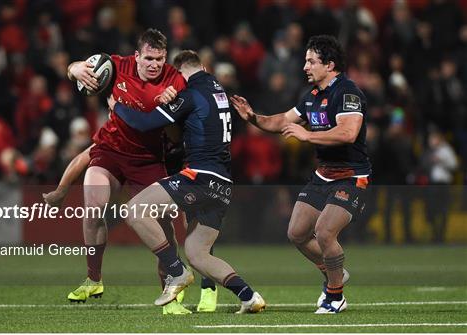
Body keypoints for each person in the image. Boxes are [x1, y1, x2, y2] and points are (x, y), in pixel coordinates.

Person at [46, 29, 217, 314]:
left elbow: (176, 136)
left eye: (160, 59)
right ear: (136, 56)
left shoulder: (175, 81)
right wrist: (75, 68)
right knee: (93, 206)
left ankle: (172, 298)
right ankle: (93, 279)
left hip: (149, 159)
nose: (154, 64)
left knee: (162, 229)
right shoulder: (117, 65)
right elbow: (75, 69)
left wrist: (170, 107)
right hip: (110, 151)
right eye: (149, 58)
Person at [109, 50, 266, 314]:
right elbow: (187, 128)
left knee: (134, 209)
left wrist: (118, 106)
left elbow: (145, 123)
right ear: (203, 67)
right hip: (223, 183)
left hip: (200, 177)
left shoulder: (190, 94)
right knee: (198, 254)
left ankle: (175, 271)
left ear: (179, 73)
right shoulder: (218, 92)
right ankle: (249, 296)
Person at [231, 35, 371, 314]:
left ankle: (335, 296)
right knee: (296, 233)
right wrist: (253, 118)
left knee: (324, 232)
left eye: (311, 61)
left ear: (329, 65)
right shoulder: (313, 97)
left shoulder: (348, 92)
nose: (305, 66)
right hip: (323, 175)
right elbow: (282, 120)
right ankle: (336, 273)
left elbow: (348, 132)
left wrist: (307, 135)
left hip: (351, 176)